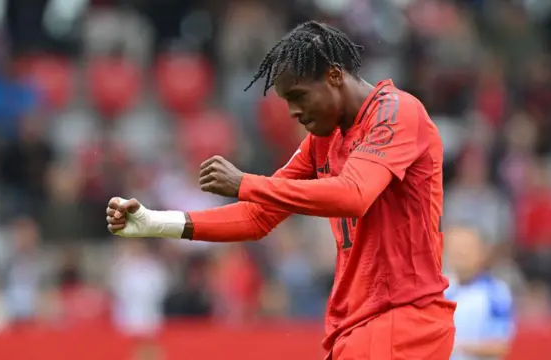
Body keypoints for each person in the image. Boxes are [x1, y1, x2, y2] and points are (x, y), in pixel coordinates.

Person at [106, 21, 455, 360]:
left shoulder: (396, 112)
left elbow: (354, 195)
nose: (292, 112)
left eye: (299, 96)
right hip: (357, 325)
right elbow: (259, 217)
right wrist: (154, 223)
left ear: (335, 76)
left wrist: (246, 183)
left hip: (402, 319)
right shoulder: (324, 139)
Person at [444, 226, 514, 360]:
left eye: (467, 247)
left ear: (482, 252)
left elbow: (500, 345)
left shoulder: (496, 293)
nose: (461, 253)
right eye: (455, 247)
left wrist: (457, 346)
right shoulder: (438, 291)